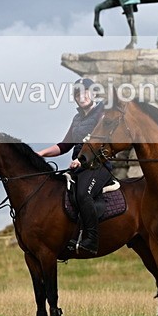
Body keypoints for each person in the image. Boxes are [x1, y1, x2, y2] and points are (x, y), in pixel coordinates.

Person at [37, 78, 111, 255]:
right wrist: (40, 154)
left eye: (85, 92)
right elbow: (64, 145)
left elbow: (100, 142)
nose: (81, 96)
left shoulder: (102, 113)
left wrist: (80, 159)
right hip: (78, 167)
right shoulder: (77, 118)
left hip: (97, 165)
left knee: (83, 194)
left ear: (93, 93)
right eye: (77, 94)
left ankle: (91, 240)